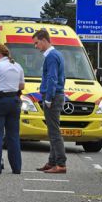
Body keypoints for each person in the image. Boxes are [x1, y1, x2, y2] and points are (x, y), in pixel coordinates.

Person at [0, 44, 25, 174]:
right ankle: (16, 168)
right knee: (13, 135)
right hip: (14, 101)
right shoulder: (17, 66)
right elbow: (22, 86)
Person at [32, 30, 67, 174]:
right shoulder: (57, 54)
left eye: (36, 42)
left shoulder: (51, 56)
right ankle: (52, 162)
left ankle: (60, 163)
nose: (35, 46)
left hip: (52, 96)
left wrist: (48, 98)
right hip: (56, 95)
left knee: (54, 132)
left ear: (44, 40)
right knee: (52, 130)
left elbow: (52, 78)